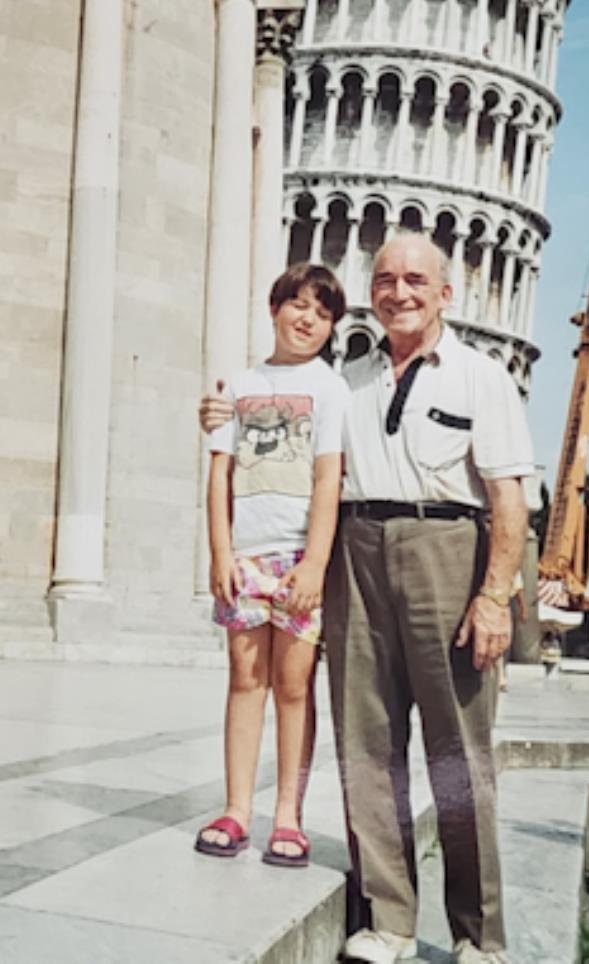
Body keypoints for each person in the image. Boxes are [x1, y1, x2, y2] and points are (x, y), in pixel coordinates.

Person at [199, 232, 533, 963]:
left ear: (446, 292)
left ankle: (480, 935)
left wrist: (494, 596)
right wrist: (221, 417)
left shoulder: (482, 377)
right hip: (356, 553)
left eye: (416, 279)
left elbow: (509, 498)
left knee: (457, 751)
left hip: (447, 548)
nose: (399, 292)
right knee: (368, 743)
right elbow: (275, 423)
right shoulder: (343, 380)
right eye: (385, 279)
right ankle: (389, 921)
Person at [195, 262, 349, 869]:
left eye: (321, 311)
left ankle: (287, 815)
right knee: (243, 679)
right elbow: (219, 476)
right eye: (297, 305)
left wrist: (315, 563)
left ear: (332, 325)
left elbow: (328, 476)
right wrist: (219, 552)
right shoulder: (237, 386)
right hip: (247, 557)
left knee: (293, 685)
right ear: (274, 307)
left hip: (297, 562)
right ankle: (236, 809)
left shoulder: (329, 387)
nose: (306, 318)